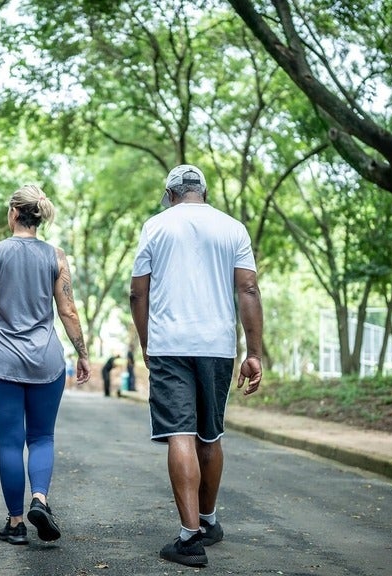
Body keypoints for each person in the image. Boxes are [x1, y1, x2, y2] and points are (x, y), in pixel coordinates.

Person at [129, 165, 263, 568]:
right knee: (210, 433)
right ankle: (208, 521)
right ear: (202, 192)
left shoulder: (156, 226)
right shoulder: (233, 228)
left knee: (180, 433)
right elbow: (249, 288)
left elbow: (138, 292)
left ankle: (189, 539)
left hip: (171, 345)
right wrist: (253, 351)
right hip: (218, 346)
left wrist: (147, 343)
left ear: (170, 194)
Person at [0, 184, 91, 546]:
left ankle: (15, 523)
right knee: (41, 436)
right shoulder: (56, 257)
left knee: (10, 443)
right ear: (38, 217)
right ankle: (39, 499)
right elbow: (68, 310)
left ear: (13, 213)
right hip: (47, 362)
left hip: (2, 363)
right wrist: (83, 354)